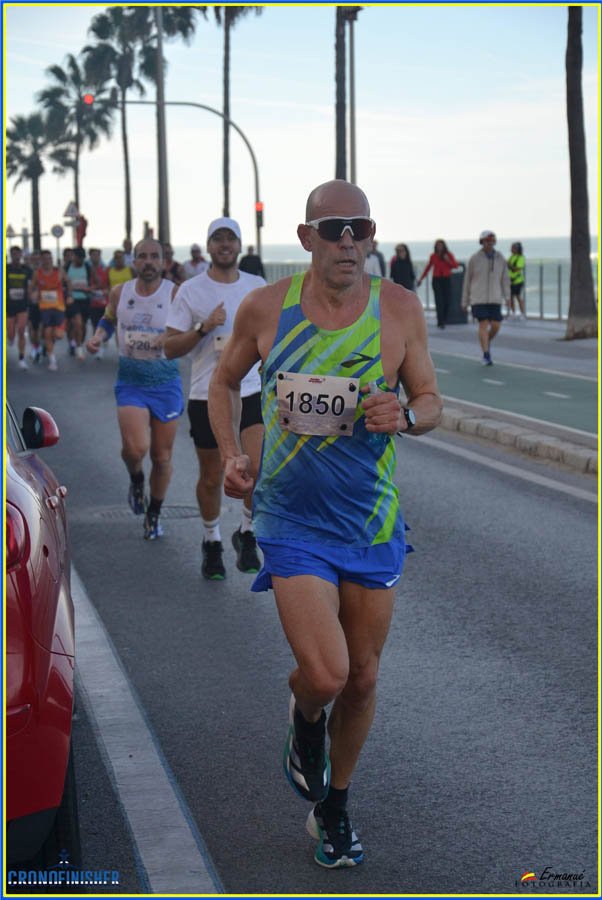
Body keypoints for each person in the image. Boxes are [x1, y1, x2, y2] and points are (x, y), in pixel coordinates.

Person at [207, 180, 442, 868]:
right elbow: (223, 382)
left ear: (372, 237)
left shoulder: (398, 308)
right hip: (290, 516)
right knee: (328, 671)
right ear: (306, 237)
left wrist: (406, 415)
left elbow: (429, 399)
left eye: (360, 229)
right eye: (333, 228)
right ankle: (306, 717)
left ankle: (334, 808)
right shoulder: (265, 308)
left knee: (364, 678)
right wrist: (229, 454)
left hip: (369, 521)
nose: (348, 242)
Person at [164, 218, 266, 580]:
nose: (224, 245)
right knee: (212, 475)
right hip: (206, 394)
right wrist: (203, 327)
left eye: (231, 239)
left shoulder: (258, 288)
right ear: (208, 246)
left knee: (255, 469)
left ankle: (247, 531)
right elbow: (169, 347)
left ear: (240, 246)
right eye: (217, 239)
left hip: (252, 390)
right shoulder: (191, 290)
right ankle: (211, 540)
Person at [86, 239, 184, 540]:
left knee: (162, 457)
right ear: (134, 261)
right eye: (142, 257)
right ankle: (136, 478)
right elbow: (108, 317)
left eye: (154, 256)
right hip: (131, 382)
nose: (148, 262)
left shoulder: (175, 293)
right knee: (135, 449)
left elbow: (188, 328)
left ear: (164, 261)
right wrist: (98, 337)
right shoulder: (120, 292)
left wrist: (168, 336)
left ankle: (153, 514)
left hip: (166, 383)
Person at [461, 230, 510, 366]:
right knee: (483, 324)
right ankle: (486, 354)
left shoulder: (500, 258)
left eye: (492, 241)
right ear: (482, 242)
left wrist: (507, 296)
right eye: (487, 241)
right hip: (478, 298)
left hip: (495, 298)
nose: (489, 243)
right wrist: (465, 301)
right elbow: (467, 280)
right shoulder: (474, 258)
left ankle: (485, 342)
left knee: (496, 325)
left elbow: (505, 279)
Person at [30, 249, 70, 371]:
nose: (47, 261)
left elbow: (68, 282)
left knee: (58, 335)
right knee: (47, 332)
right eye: (45, 259)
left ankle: (47, 344)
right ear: (41, 260)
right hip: (45, 307)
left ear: (51, 259)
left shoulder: (59, 272)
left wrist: (69, 296)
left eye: (49, 258)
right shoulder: (37, 273)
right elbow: (32, 287)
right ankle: (52, 360)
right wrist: (33, 295)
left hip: (59, 307)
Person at [416, 239, 459, 329]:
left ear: (444, 246)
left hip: (446, 279)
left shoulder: (448, 255)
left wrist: (448, 260)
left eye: (441, 245)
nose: (439, 247)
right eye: (437, 245)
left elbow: (455, 266)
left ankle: (444, 318)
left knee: (447, 300)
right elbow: (428, 267)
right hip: (437, 279)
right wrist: (421, 279)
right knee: (439, 301)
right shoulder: (433, 256)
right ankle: (440, 321)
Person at [6, 246, 33, 369]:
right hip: (9, 305)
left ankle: (21, 358)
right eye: (14, 254)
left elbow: (32, 285)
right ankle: (10, 338)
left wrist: (33, 294)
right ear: (11, 255)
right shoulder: (6, 269)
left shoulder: (26, 269)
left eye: (18, 254)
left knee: (21, 330)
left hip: (22, 304)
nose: (16, 256)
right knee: (11, 333)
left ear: (21, 255)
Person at [65, 246, 93, 359]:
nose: (80, 260)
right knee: (76, 323)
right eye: (78, 258)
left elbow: (96, 282)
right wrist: (68, 294)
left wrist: (89, 288)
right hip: (72, 299)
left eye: (82, 258)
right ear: (74, 257)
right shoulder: (67, 267)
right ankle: (77, 346)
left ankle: (78, 342)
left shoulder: (87, 267)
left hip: (85, 299)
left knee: (82, 325)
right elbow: (61, 283)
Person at [89, 248, 110, 359]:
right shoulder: (88, 269)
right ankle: (98, 347)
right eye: (93, 255)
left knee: (104, 326)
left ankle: (101, 346)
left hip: (104, 303)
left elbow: (106, 284)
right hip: (93, 303)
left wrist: (105, 291)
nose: (95, 257)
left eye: (97, 255)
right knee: (94, 326)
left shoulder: (105, 269)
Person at [507, 242, 526, 319]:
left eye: (512, 248)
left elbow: (517, 269)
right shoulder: (511, 257)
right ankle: (513, 313)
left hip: (517, 281)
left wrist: (509, 265)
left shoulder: (521, 257)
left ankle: (522, 314)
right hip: (510, 281)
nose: (511, 249)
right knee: (511, 297)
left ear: (517, 249)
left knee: (518, 297)